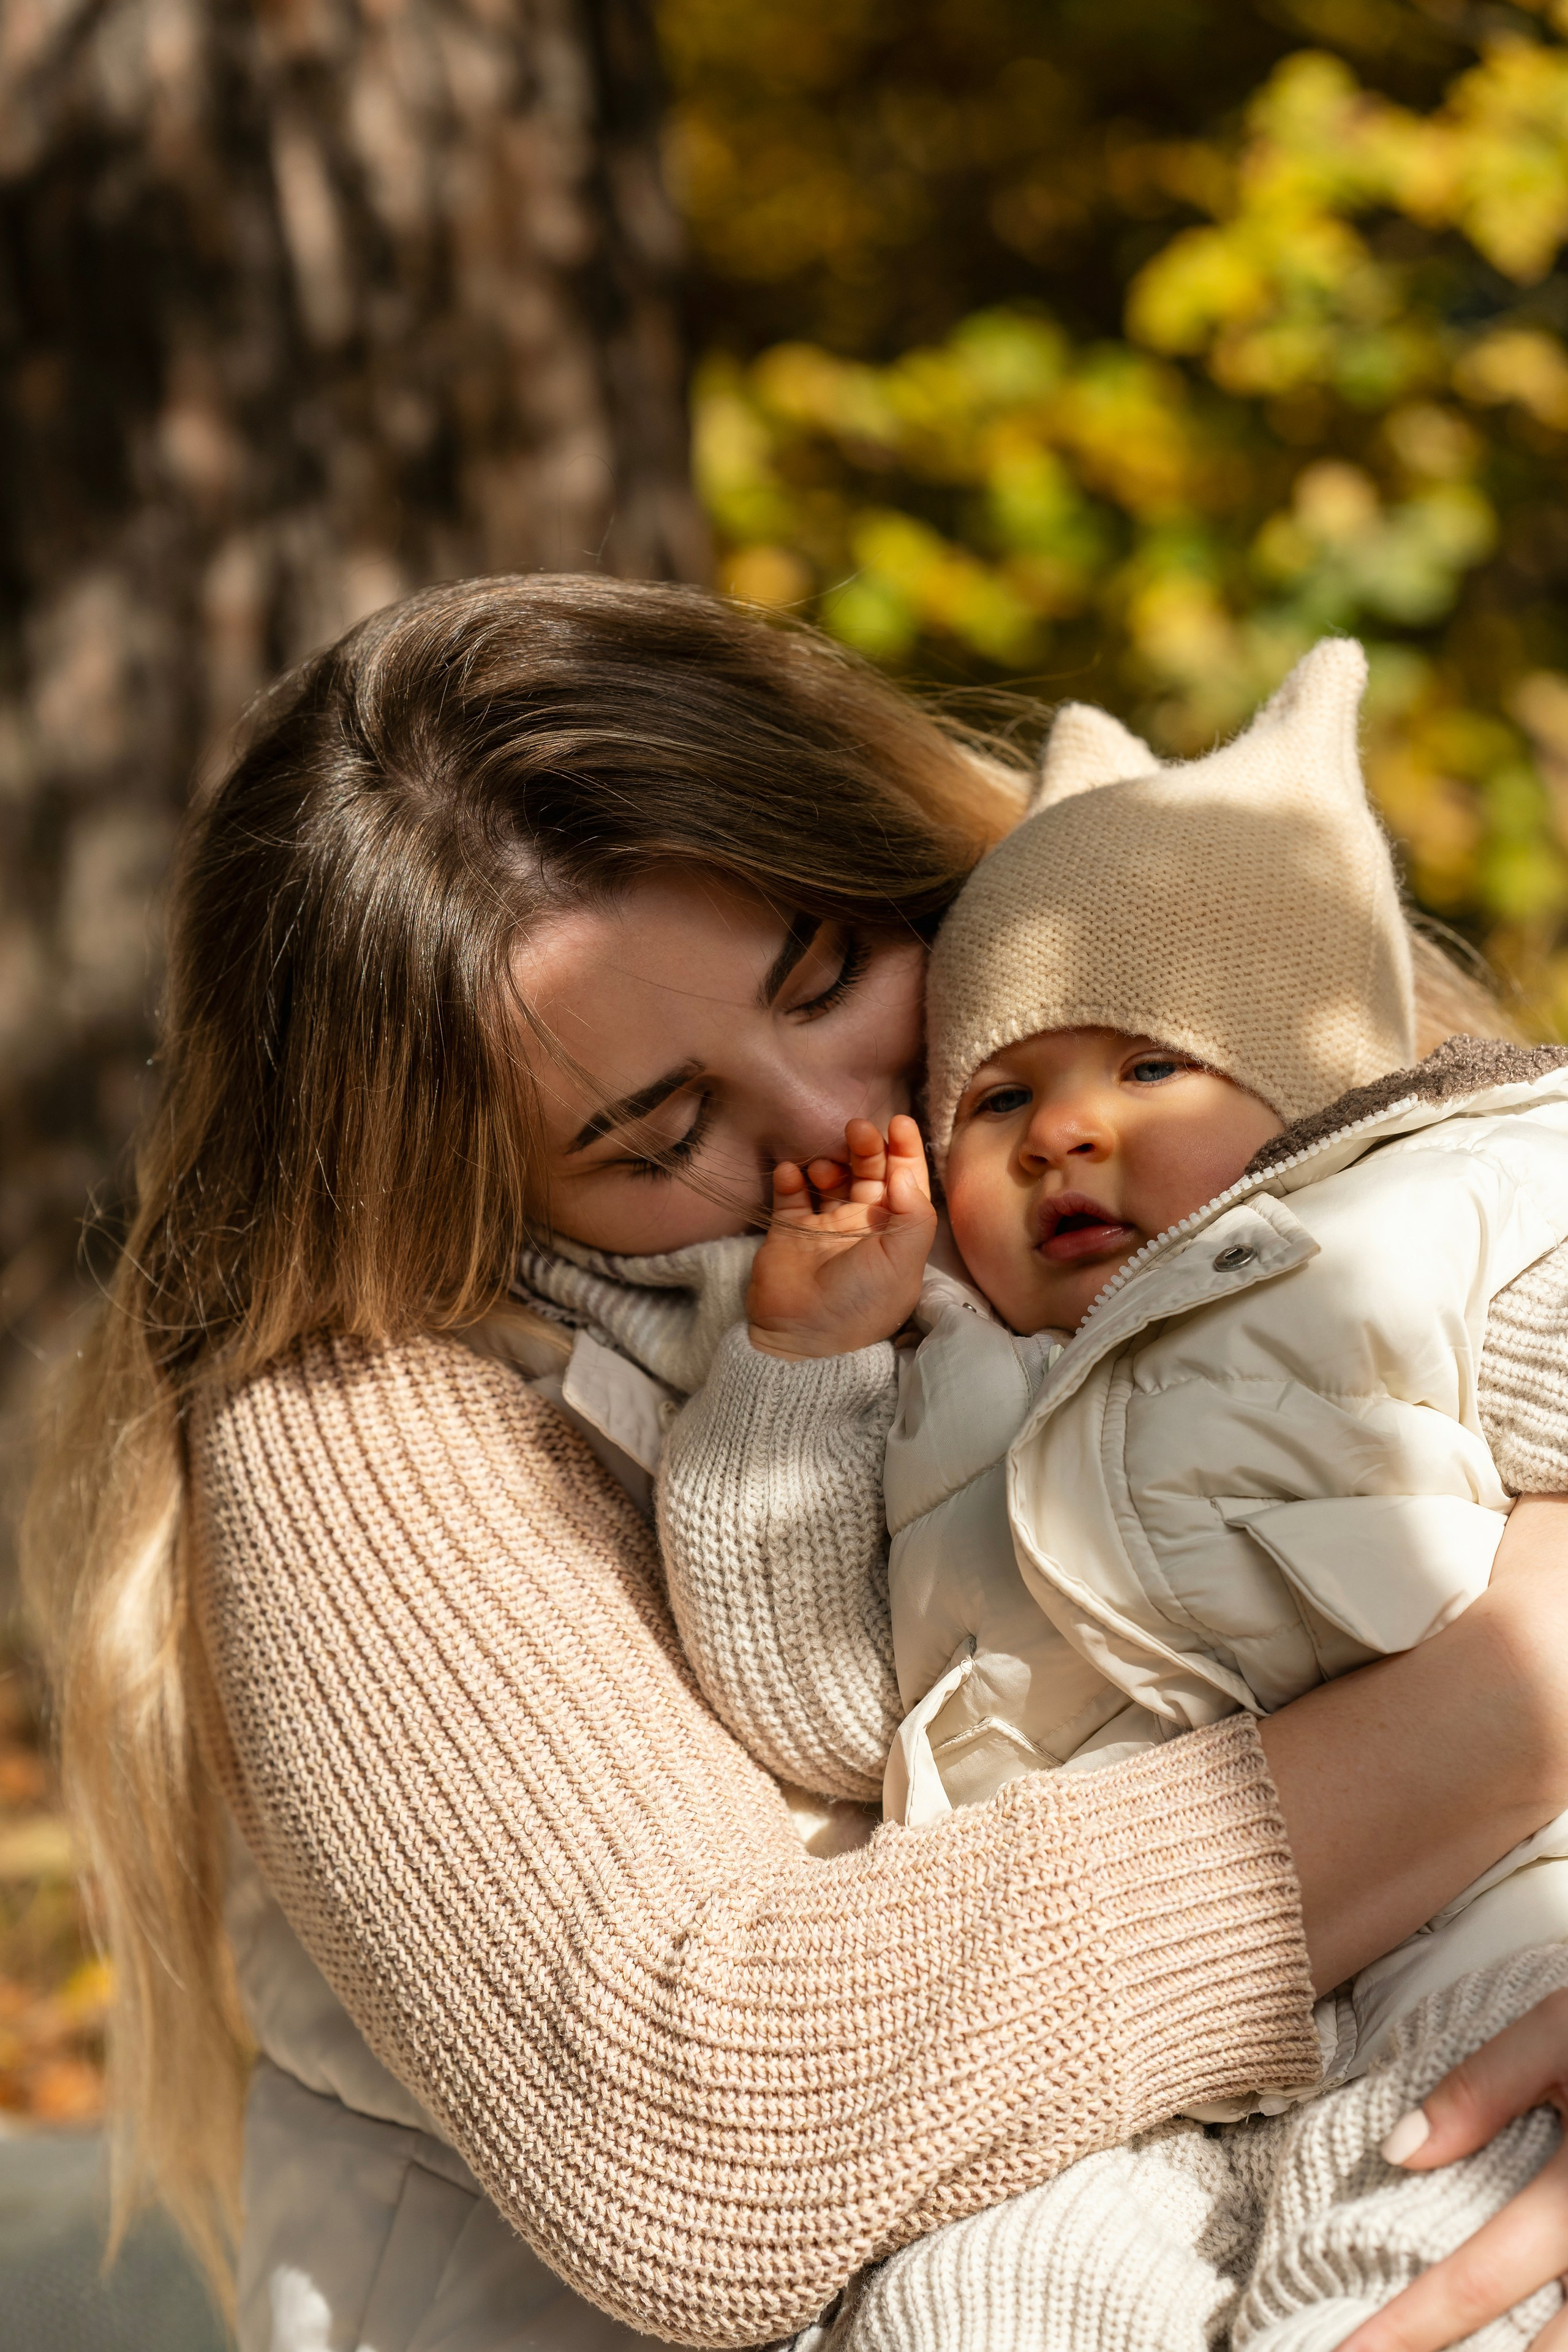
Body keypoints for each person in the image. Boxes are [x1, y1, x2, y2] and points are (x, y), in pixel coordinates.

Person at [21, 576, 1568, 2352]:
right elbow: (699, 2127)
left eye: (833, 974)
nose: (840, 1123)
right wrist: (1529, 1680)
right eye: (660, 1132)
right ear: (456, 1190)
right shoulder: (365, 1419)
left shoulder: (1202, 1093)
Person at [657, 635, 1568, 2343]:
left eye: (1148, 1068)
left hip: (1480, 1947)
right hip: (1110, 2075)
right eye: (1000, 1096)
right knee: (962, 2305)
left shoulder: (1425, 1230)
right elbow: (812, 1706)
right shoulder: (933, 1391)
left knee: (1418, 2259)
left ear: (1323, 1090)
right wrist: (791, 1379)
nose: (1066, 1131)